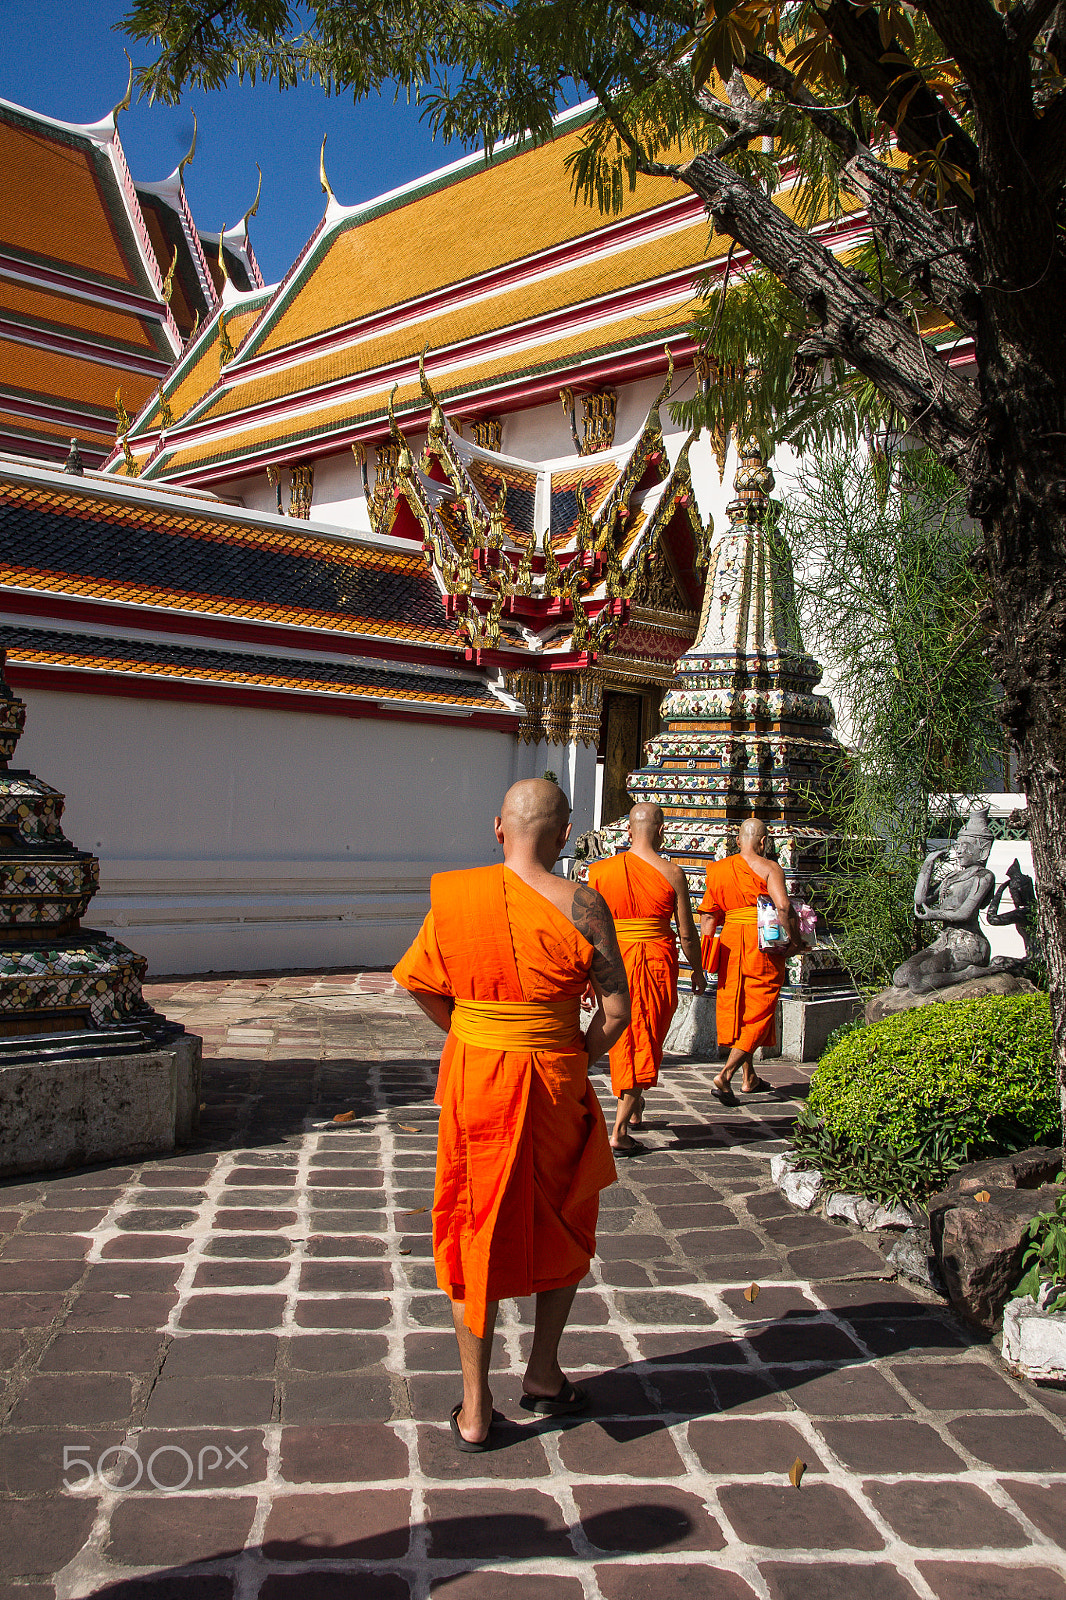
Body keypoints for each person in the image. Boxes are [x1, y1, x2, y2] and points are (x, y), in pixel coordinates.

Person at [392, 778, 630, 1450]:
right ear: (565, 837)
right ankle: (545, 1373)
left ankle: (473, 1408)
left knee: (474, 1224)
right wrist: (574, 1052)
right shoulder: (584, 903)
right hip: (554, 1076)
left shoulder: (458, 900)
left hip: (475, 1077)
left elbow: (418, 981)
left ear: (498, 829)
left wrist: (475, 1030)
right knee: (565, 1212)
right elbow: (616, 1010)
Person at [588, 803, 706, 1155]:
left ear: (627, 832)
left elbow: (587, 931)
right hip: (655, 962)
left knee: (627, 1034)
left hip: (612, 960)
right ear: (661, 831)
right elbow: (687, 933)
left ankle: (634, 1109)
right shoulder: (672, 873)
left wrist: (583, 979)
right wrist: (698, 969)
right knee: (644, 1036)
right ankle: (620, 1131)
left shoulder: (600, 871)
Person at [699, 818, 799, 1105]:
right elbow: (782, 906)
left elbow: (707, 915)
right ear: (764, 842)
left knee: (741, 1007)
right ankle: (725, 1075)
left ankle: (749, 1077)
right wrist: (793, 940)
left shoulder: (718, 870)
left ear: (739, 841)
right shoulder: (769, 868)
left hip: (730, 942)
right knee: (760, 1009)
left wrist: (709, 955)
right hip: (761, 942)